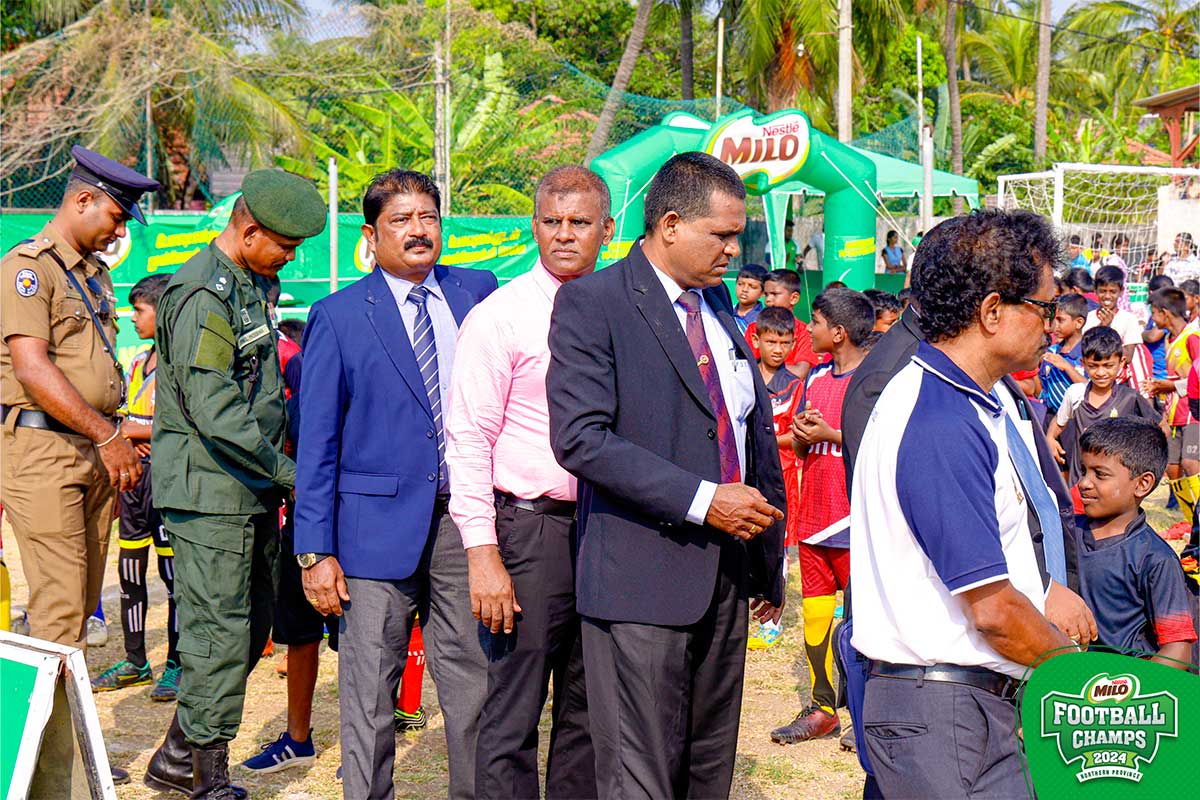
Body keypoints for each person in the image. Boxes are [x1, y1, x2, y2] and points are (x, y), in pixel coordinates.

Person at [547, 151, 787, 799]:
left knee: (706, 769)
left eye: (738, 236)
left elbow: (746, 431)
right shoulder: (593, 303)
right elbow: (581, 439)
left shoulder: (717, 306)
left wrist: (767, 559)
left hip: (727, 574)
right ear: (672, 224)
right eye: (723, 235)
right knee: (640, 775)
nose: (735, 251)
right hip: (641, 582)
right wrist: (703, 501)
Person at [852, 209, 1080, 798]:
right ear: (992, 311)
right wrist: (1082, 677)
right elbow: (993, 610)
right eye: (1046, 307)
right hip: (945, 712)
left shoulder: (969, 402)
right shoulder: (943, 419)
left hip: (958, 708)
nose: (1052, 326)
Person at [294, 168, 496, 800]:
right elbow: (317, 444)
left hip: (463, 524)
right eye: (401, 220)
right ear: (371, 235)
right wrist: (314, 551)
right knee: (370, 698)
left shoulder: (478, 293)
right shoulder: (338, 316)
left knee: (475, 689)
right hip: (371, 535)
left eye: (427, 217)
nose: (417, 230)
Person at [142, 169, 326, 800]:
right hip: (211, 493)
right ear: (248, 233)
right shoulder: (203, 294)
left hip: (247, 489)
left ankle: (176, 755)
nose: (290, 257)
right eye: (285, 245)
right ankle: (207, 778)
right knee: (219, 635)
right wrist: (289, 474)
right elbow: (215, 409)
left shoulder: (248, 283)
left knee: (249, 629)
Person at [444, 165, 611, 799]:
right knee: (512, 707)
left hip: (610, 528)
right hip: (531, 533)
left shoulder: (627, 311)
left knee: (590, 707)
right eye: (551, 221)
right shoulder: (500, 317)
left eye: (579, 222)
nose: (564, 234)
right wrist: (482, 554)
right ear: (534, 226)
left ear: (606, 229)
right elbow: (468, 439)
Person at [1, 147, 159, 786]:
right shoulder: (27, 270)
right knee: (60, 622)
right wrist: (109, 434)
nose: (119, 232)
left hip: (90, 453)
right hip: (45, 455)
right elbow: (32, 368)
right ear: (82, 200)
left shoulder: (92, 274)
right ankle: (51, 781)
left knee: (77, 620)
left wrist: (115, 436)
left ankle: (67, 761)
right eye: (116, 217)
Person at [771, 287, 873, 746]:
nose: (807, 330)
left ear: (839, 332)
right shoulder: (813, 378)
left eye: (814, 322)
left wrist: (830, 433)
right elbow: (799, 447)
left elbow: (878, 443)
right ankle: (823, 708)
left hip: (853, 522)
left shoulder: (872, 382)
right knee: (815, 618)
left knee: (862, 623)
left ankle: (865, 713)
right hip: (814, 517)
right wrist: (800, 435)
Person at [92, 273, 181, 701]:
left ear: (162, 313)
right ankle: (135, 661)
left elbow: (178, 424)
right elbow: (127, 420)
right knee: (129, 573)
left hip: (165, 482)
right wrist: (129, 433)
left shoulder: (179, 364)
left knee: (173, 576)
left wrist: (131, 431)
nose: (132, 317)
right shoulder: (138, 362)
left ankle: (178, 664)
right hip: (133, 481)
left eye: (140, 310)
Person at [1075, 418, 1198, 668]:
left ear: (1142, 484)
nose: (1084, 483)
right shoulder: (1064, 533)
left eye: (1100, 474)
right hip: (1066, 679)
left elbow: (1177, 649)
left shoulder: (1156, 559)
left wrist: (1134, 688)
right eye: (1084, 470)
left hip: (1125, 685)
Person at [747, 306, 803, 651]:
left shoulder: (794, 385)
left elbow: (796, 434)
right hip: (745, 473)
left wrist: (762, 439)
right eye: (771, 341)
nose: (778, 349)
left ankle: (772, 621)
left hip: (782, 478)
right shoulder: (744, 374)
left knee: (777, 547)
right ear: (756, 340)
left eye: (785, 342)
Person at [1047, 326, 1159, 487]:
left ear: (1121, 362)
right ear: (1083, 363)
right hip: (1081, 482)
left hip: (1117, 486)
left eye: (1108, 365)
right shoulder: (1076, 393)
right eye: (1093, 366)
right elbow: (1059, 421)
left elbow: (1160, 428)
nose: (1101, 372)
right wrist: (1050, 438)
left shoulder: (1130, 398)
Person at [1146, 287, 1200, 498]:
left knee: (1191, 462)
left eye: (1153, 312)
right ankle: (1188, 514)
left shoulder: (1191, 338)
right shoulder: (1169, 338)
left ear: (1164, 312)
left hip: (1192, 412)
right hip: (1175, 412)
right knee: (1172, 466)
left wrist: (1170, 386)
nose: (1152, 318)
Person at [1085, 264, 1152, 393]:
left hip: (1120, 382)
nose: (1107, 296)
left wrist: (1107, 331)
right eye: (1103, 291)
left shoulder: (1128, 319)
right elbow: (1087, 351)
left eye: (1112, 291)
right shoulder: (1090, 318)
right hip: (1094, 379)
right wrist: (1102, 327)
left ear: (1121, 292)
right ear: (1095, 290)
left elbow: (1129, 356)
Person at [744, 268, 820, 381]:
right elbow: (746, 369)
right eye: (766, 294)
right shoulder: (754, 328)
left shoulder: (805, 332)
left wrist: (764, 369)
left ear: (794, 298)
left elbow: (800, 372)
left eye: (774, 294)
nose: (768, 300)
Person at [1039, 292, 1088, 415]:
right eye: (1053, 319)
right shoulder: (1052, 352)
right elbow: (1044, 385)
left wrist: (1067, 367)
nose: (1054, 325)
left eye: (1060, 320)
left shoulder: (1087, 354)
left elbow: (1091, 389)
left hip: (1077, 418)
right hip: (1051, 416)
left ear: (1079, 322)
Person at [1143, 274, 1175, 380]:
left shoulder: (1168, 314)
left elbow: (1152, 336)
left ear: (1151, 293)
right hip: (1153, 368)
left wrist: (1139, 333)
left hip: (1161, 373)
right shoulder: (1156, 312)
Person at [733, 263, 767, 333]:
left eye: (752, 287)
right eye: (740, 284)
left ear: (762, 293)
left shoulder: (764, 319)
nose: (744, 289)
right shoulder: (727, 312)